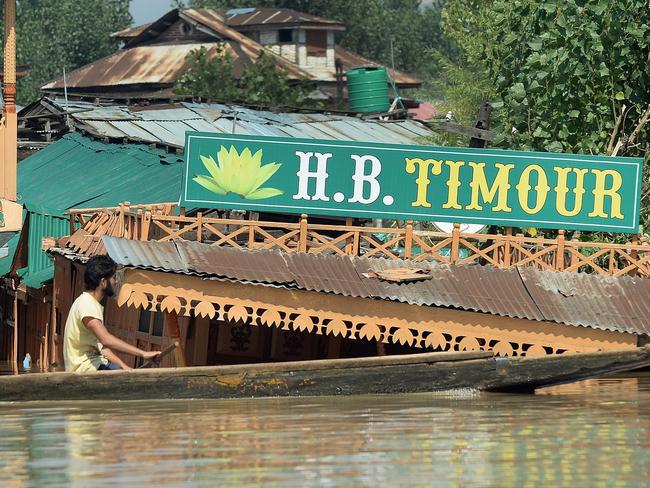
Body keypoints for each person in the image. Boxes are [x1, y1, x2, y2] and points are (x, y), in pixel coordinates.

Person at [63, 254, 160, 372]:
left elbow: (102, 348)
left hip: (94, 364)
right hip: (87, 369)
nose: (116, 281)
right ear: (103, 282)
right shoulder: (87, 305)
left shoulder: (88, 303)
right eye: (114, 277)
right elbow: (106, 340)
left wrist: (124, 367)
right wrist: (143, 353)